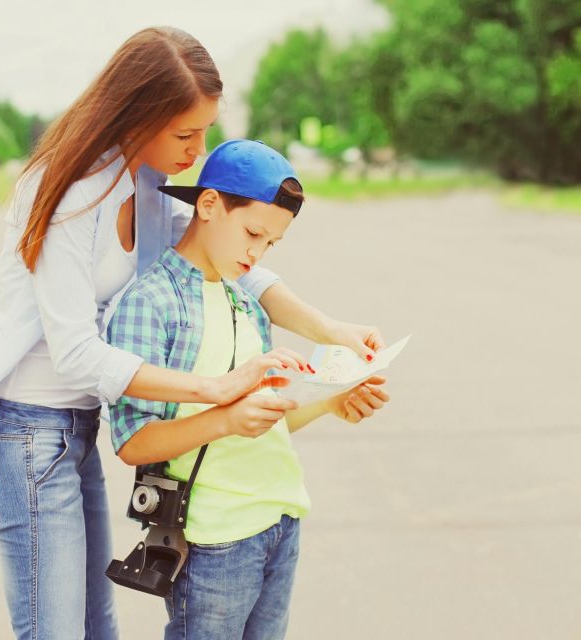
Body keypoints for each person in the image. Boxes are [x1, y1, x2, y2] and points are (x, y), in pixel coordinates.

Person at [0, 27, 383, 640]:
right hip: (22, 428)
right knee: (55, 631)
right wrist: (218, 389)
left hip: (73, 426)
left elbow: (235, 265)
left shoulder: (143, 184)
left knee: (98, 627)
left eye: (203, 132)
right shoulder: (64, 191)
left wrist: (333, 329)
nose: (197, 151)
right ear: (136, 114)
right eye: (184, 134)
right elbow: (74, 354)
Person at [107, 139, 390, 640]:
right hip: (215, 536)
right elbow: (134, 443)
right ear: (209, 205)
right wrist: (225, 418)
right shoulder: (149, 302)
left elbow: (267, 419)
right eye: (253, 233)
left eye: (271, 244)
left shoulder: (247, 301)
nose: (256, 253)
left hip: (279, 517)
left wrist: (331, 402)